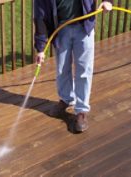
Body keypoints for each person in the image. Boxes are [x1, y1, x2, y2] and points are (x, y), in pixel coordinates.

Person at [34, 0, 112, 132]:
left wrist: (107, 1)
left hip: (84, 26)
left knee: (83, 69)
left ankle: (81, 110)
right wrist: (41, 48)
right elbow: (40, 16)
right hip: (61, 29)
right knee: (62, 69)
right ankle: (66, 99)